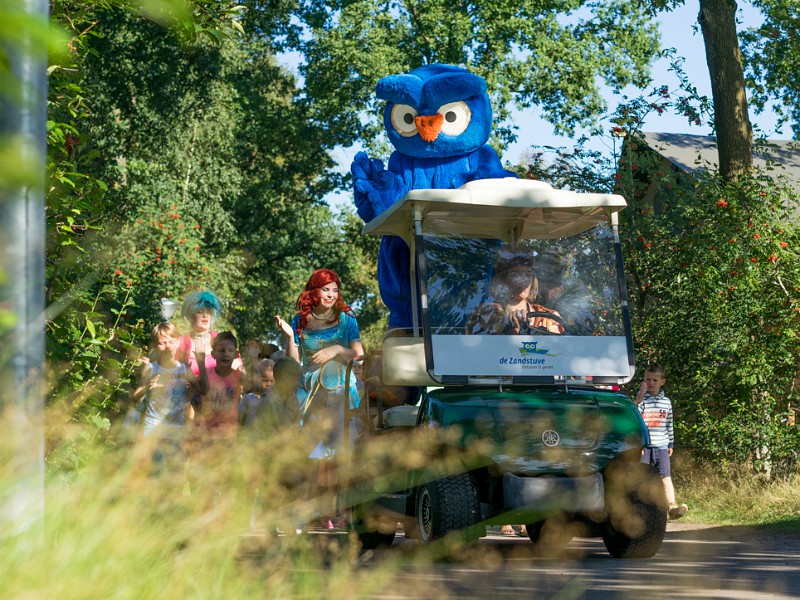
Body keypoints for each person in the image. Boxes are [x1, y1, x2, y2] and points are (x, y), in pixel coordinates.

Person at [276, 268, 364, 528]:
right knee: (312, 455)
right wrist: (290, 337)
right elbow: (294, 362)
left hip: (340, 394)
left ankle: (343, 512)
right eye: (326, 289)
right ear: (314, 291)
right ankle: (312, 511)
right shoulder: (300, 321)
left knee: (342, 454)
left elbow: (358, 353)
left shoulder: (347, 319)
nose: (331, 294)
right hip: (310, 395)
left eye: (335, 290)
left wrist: (337, 350)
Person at [133, 322, 208, 469]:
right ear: (154, 346)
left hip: (176, 428)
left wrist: (201, 362)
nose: (167, 346)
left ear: (178, 342)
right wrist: (147, 388)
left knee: (175, 471)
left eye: (171, 342)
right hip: (153, 427)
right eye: (162, 343)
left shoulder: (184, 369)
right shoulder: (151, 368)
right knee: (154, 470)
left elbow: (203, 390)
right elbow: (135, 398)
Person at [466, 248, 565, 335]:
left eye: (528, 275)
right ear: (502, 280)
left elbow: (559, 348)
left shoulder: (548, 317)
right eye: (516, 275)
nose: (523, 281)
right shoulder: (487, 312)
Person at [634, 362, 688, 520]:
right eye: (647, 379)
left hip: (662, 446)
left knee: (665, 476)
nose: (651, 383)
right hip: (644, 446)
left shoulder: (666, 402)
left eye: (654, 380)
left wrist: (671, 443)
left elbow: (669, 423)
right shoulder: (642, 400)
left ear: (662, 381)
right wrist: (639, 398)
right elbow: (635, 420)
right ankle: (638, 509)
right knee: (640, 477)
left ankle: (672, 506)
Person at [193, 331, 243, 445]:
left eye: (230, 350)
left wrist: (254, 360)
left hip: (229, 436)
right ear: (213, 354)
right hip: (207, 435)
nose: (225, 354)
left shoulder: (239, 376)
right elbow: (199, 393)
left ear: (236, 354)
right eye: (221, 350)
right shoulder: (206, 375)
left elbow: (256, 387)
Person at [238, 358, 275, 428]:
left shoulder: (275, 401)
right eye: (264, 380)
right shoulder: (249, 399)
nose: (268, 384)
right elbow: (239, 420)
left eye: (272, 381)